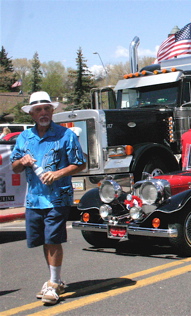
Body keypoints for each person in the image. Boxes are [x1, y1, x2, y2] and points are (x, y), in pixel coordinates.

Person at [10, 91, 86, 305]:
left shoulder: (66, 135)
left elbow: (80, 163)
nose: (43, 113)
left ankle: (53, 283)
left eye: (46, 109)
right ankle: (56, 279)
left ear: (52, 111)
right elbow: (14, 168)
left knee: (53, 238)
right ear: (31, 114)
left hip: (58, 197)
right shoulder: (24, 137)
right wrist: (22, 161)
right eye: (38, 110)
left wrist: (59, 173)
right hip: (34, 198)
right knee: (44, 240)